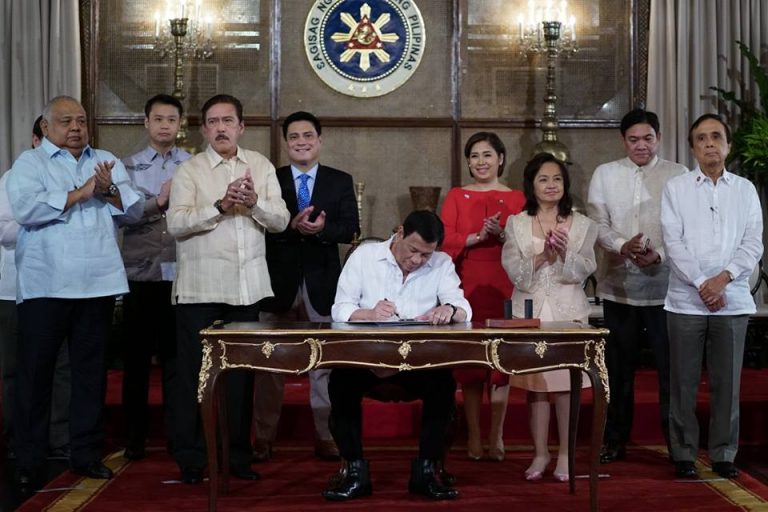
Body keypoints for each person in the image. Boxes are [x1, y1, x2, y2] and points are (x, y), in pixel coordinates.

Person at [6, 96, 143, 490]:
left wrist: (109, 189)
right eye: (66, 121)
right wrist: (82, 193)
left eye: (81, 121)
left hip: (98, 283)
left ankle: (85, 454)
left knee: (90, 375)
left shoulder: (105, 159)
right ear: (45, 127)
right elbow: (27, 210)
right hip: (45, 285)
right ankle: (28, 458)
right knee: (36, 375)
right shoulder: (30, 163)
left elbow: (133, 211)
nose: (76, 128)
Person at [166, 94, 290, 484]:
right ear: (203, 130)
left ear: (241, 127)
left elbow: (281, 220)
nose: (221, 128)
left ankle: (236, 456)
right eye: (213, 122)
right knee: (195, 377)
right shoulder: (189, 170)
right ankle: (192, 458)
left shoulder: (261, 165)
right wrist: (219, 206)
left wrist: (254, 204)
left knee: (240, 378)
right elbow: (176, 224)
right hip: (199, 291)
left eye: (228, 121)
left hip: (245, 291)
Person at [323, 210, 471, 501]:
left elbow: (463, 307)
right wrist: (368, 313)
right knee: (340, 381)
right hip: (367, 360)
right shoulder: (365, 256)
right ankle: (355, 473)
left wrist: (450, 309)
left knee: (443, 383)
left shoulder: (442, 263)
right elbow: (339, 308)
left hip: (416, 362)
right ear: (400, 232)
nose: (417, 260)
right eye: (413, 250)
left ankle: (426, 473)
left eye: (426, 255)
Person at [661, 114, 763, 480]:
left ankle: (723, 453)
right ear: (692, 148)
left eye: (716, 137)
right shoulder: (676, 188)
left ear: (728, 145)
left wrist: (723, 279)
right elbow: (673, 243)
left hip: (732, 301)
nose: (709, 144)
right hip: (685, 302)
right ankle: (683, 453)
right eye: (701, 138)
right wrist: (704, 283)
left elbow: (753, 243)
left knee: (727, 384)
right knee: (683, 383)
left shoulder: (745, 190)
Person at [254, 111, 358, 462]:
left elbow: (351, 229)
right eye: (294, 137)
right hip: (277, 284)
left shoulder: (339, 181)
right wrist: (290, 227)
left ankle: (326, 436)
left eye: (308, 135)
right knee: (269, 364)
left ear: (319, 140)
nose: (302, 142)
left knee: (323, 364)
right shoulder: (271, 178)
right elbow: (258, 226)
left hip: (322, 282)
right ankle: (263, 437)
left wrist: (322, 230)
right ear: (286, 143)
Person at [586, 109, 688, 464]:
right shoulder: (605, 173)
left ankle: (677, 444)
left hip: (667, 291)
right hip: (619, 288)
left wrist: (659, 254)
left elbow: (685, 228)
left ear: (659, 138)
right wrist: (621, 245)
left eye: (647, 138)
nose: (641, 145)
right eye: (633, 139)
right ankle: (614, 439)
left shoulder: (678, 174)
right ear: (623, 141)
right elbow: (596, 223)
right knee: (618, 372)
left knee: (670, 372)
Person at [502, 153, 597, 482]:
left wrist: (566, 253)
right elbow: (515, 273)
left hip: (568, 314)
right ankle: (540, 453)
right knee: (537, 387)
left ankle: (566, 455)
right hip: (529, 313)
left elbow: (585, 270)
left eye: (557, 179)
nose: (551, 185)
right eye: (543, 179)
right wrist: (543, 256)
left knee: (566, 386)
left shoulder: (583, 224)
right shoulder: (516, 223)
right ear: (531, 184)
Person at [439, 131, 525, 461]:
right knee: (472, 363)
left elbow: (525, 242)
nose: (481, 162)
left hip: (505, 282)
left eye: (487, 155)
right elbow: (445, 239)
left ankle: (496, 435)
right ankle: (474, 434)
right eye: (474, 156)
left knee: (500, 362)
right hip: (468, 281)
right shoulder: (456, 196)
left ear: (501, 159)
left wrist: (501, 235)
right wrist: (475, 237)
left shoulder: (517, 198)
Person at [120, 94, 191, 460]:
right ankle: (134, 439)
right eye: (158, 119)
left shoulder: (193, 165)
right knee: (135, 363)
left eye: (172, 119)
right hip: (140, 275)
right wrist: (158, 202)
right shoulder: (128, 166)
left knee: (177, 363)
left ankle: (178, 437)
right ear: (146, 122)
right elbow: (122, 215)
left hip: (182, 276)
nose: (165, 125)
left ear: (180, 124)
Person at [0, 116, 71, 462]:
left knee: (62, 368)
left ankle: (60, 438)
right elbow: (5, 232)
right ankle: (19, 438)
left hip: (61, 289)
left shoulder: (74, 180)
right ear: (35, 140)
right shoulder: (13, 178)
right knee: (16, 368)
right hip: (13, 289)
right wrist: (51, 218)